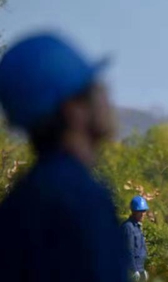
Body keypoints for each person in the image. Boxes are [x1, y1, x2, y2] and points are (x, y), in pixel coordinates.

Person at [0, 33, 127, 281]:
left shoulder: (18, 204)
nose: (107, 92)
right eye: (94, 86)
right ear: (73, 109)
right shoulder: (83, 200)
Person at [122, 196, 150, 281]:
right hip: (131, 270)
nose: (143, 214)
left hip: (140, 268)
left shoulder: (137, 227)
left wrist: (142, 269)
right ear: (134, 212)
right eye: (140, 211)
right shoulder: (128, 227)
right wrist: (133, 270)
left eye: (144, 211)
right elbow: (128, 250)